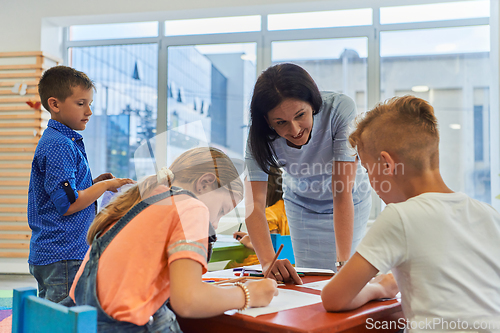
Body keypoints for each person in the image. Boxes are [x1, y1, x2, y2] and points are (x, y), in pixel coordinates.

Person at [321, 96, 500, 329]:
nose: (371, 183)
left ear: (386, 164)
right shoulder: (489, 214)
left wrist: (380, 288)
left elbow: (333, 297)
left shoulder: (399, 216)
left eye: (366, 170)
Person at [70, 147, 278, 332]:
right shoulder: (191, 207)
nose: (215, 222)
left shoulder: (145, 200)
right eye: (222, 210)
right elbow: (188, 301)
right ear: (205, 183)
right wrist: (248, 293)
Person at [245, 63, 372, 283]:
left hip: (349, 200)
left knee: (344, 277)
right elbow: (254, 205)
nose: (294, 130)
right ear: (267, 121)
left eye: (300, 115)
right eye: (281, 122)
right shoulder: (259, 135)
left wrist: (342, 264)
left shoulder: (340, 109)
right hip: (301, 204)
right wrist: (267, 262)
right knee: (310, 279)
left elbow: (341, 192)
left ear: (312, 104)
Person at [28, 66, 133, 306]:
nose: (89, 111)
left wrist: (93, 184)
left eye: (90, 103)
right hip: (63, 253)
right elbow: (68, 204)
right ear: (55, 104)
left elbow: (63, 192)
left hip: (61, 253)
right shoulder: (59, 145)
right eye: (81, 103)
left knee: (59, 315)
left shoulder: (63, 141)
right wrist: (107, 185)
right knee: (62, 321)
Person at [229, 167, 289, 267]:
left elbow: (272, 249)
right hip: (291, 263)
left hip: (266, 265)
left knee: (231, 265)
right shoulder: (287, 210)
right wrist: (254, 237)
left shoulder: (268, 214)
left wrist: (248, 242)